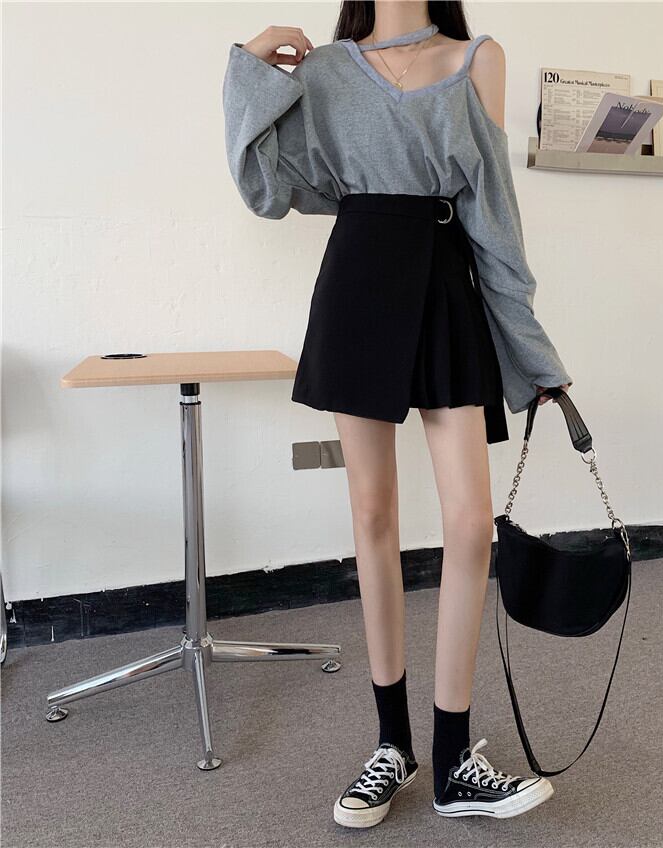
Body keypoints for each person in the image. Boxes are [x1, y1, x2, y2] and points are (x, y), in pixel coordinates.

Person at [222, 0, 573, 828]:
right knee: (372, 514)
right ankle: (392, 745)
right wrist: (247, 67)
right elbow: (265, 186)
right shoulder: (326, 70)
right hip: (357, 283)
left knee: (471, 523)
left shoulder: (478, 58)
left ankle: (453, 760)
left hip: (446, 281)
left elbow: (494, 216)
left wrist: (532, 353)